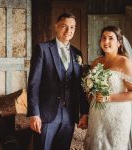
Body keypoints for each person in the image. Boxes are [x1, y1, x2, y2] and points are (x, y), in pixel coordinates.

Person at [27, 12, 89, 150]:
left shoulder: (77, 53)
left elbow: (80, 86)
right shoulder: (42, 49)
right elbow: (33, 84)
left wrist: (84, 112)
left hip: (69, 115)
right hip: (46, 114)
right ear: (56, 27)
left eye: (72, 27)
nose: (69, 31)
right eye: (64, 26)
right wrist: (34, 114)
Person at [84, 26, 132, 150]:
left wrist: (109, 97)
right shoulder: (96, 62)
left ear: (119, 43)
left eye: (111, 38)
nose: (106, 42)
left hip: (117, 114)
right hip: (97, 113)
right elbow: (91, 88)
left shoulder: (124, 62)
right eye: (103, 38)